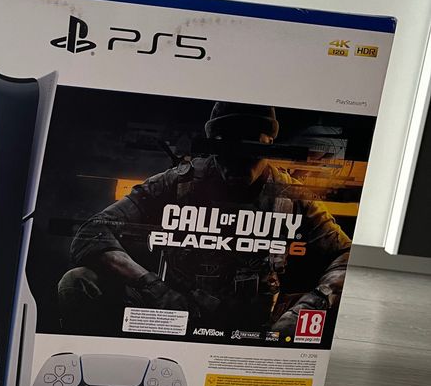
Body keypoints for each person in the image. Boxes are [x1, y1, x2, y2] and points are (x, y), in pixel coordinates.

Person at [58, 102, 351, 341]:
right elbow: (92, 231)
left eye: (249, 151)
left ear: (268, 144)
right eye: (227, 150)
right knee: (79, 282)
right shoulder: (176, 183)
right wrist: (153, 287)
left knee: (322, 313)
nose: (236, 163)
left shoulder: (292, 195)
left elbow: (346, 254)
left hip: (256, 321)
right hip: (177, 312)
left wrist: (310, 306)